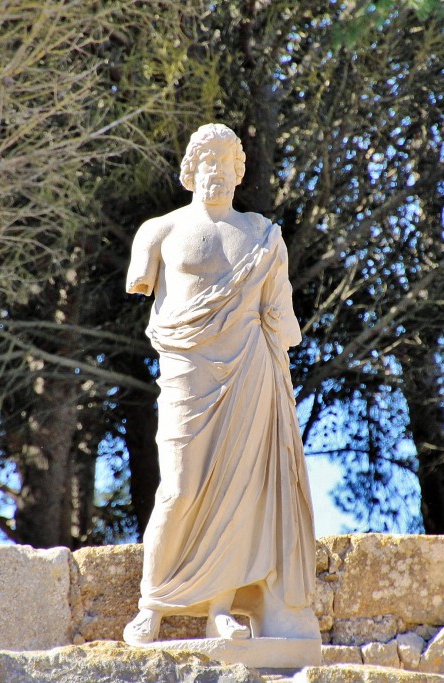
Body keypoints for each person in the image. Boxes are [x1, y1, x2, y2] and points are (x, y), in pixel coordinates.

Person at [123, 123, 317, 644]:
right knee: (181, 489)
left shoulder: (260, 235)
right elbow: (147, 292)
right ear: (191, 173)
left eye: (227, 169)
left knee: (238, 492)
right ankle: (152, 604)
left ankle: (220, 610)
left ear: (239, 174)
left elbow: (280, 318)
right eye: (208, 168)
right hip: (189, 372)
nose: (218, 178)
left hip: (250, 371)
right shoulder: (158, 232)